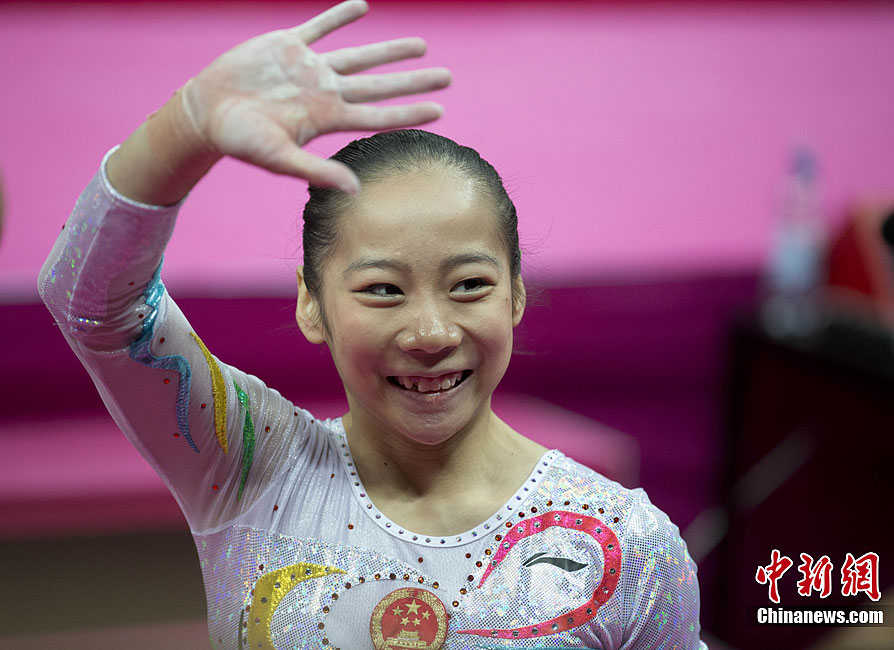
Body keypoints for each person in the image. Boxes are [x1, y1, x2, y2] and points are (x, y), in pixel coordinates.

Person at [39, 2, 706, 648]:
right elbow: (95, 307)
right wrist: (185, 127)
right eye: (383, 290)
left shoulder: (625, 549)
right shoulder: (250, 467)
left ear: (516, 296)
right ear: (311, 304)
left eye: (469, 285)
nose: (430, 332)